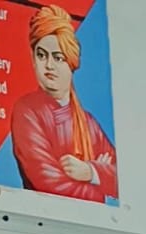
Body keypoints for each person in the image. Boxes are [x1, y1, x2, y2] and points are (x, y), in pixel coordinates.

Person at [11, 5, 117, 204]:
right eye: (41, 55)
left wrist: (89, 171)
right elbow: (48, 183)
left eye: (58, 57)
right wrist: (99, 184)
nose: (49, 65)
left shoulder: (89, 124)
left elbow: (121, 180)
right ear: (33, 59)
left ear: (71, 63)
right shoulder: (27, 112)